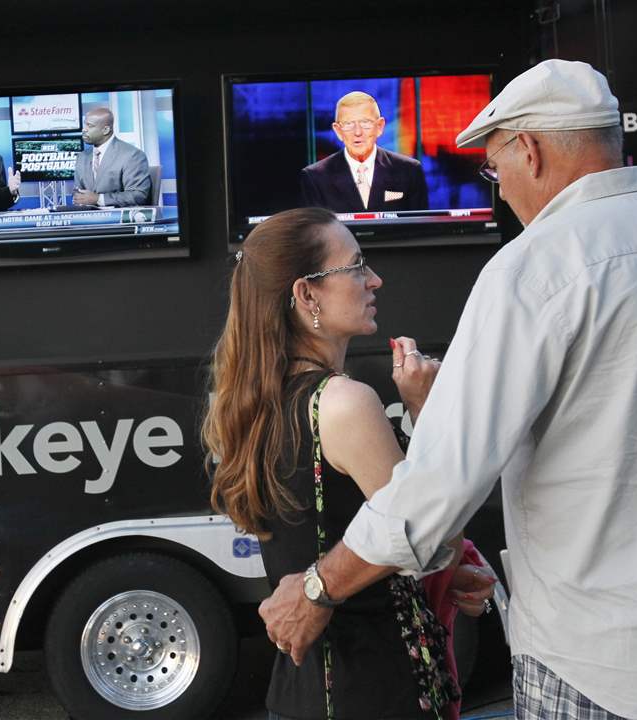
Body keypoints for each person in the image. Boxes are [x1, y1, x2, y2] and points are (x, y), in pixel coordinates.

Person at [260, 59, 637, 719]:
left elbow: (440, 482)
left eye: (495, 171)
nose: (499, 191)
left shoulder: (535, 268)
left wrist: (319, 586)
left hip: (596, 669)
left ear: (531, 149)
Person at [202, 208, 494, 720]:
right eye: (356, 266)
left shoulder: (250, 403)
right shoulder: (344, 403)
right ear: (306, 294)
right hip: (376, 688)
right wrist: (428, 412)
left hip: (300, 693)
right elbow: (435, 540)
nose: (374, 279)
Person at [300, 92, 429, 213]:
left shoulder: (409, 170)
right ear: (338, 131)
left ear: (379, 127)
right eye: (349, 123)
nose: (358, 132)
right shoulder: (315, 177)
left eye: (365, 122)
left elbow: (420, 230)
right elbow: (315, 232)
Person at [72, 107, 152, 207]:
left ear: (106, 130)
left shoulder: (132, 155)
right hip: (88, 219)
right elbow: (78, 194)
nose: (84, 130)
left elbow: (138, 195)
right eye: (85, 124)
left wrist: (98, 199)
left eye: (90, 126)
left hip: (119, 220)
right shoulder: (82, 157)